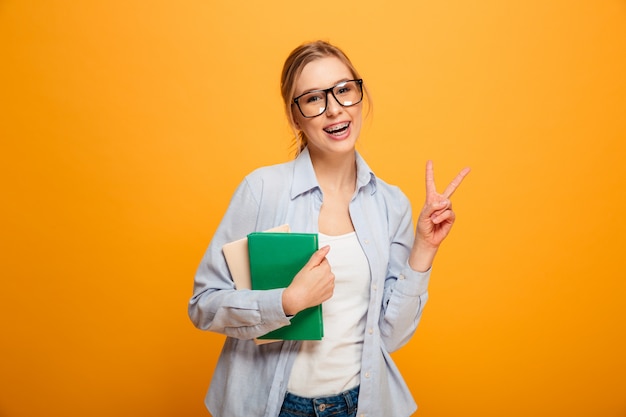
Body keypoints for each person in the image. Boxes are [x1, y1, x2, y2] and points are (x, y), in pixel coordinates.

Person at [188, 40, 470, 417]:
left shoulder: (391, 204)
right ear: (295, 117)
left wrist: (424, 248)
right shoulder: (262, 190)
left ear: (359, 94)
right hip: (273, 406)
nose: (334, 109)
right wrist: (286, 303)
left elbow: (392, 336)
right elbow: (203, 305)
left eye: (343, 90)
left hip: (360, 405)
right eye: (313, 99)